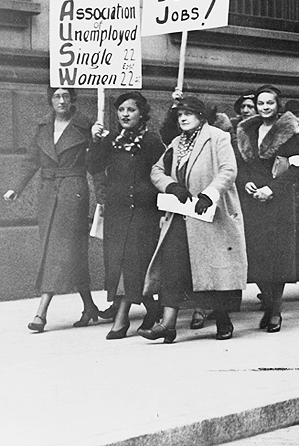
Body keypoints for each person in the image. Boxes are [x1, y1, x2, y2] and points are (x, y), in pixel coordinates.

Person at [141, 96, 247, 343]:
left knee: (212, 268)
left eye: (188, 113)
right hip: (181, 214)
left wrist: (209, 194)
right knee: (173, 266)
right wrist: (171, 186)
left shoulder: (217, 137)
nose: (183, 118)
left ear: (201, 116)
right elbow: (157, 170)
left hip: (211, 214)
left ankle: (222, 320)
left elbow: (228, 170)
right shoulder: (177, 143)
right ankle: (167, 324)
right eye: (179, 115)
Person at [4, 87, 108, 331]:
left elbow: (96, 165)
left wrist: (96, 140)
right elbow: (31, 161)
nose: (61, 101)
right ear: (50, 100)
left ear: (73, 99)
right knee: (69, 250)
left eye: (66, 96)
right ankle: (89, 305)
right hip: (48, 194)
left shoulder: (87, 127)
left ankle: (41, 313)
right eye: (56, 96)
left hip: (73, 191)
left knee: (58, 250)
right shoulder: (43, 128)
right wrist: (16, 188)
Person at [87, 92, 164, 339]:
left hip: (143, 212)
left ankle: (121, 320)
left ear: (142, 113)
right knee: (119, 264)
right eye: (121, 110)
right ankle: (153, 308)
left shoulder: (152, 141)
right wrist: (96, 141)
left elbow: (162, 172)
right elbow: (93, 166)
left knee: (131, 264)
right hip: (117, 212)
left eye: (130, 110)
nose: (125, 114)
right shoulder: (111, 139)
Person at [235, 86, 299, 333]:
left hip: (278, 203)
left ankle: (275, 310)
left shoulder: (289, 134)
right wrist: (246, 183)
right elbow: (240, 166)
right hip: (253, 202)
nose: (265, 108)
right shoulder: (247, 131)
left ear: (278, 106)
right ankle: (269, 302)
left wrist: (272, 188)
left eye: (270, 103)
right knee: (257, 255)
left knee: (278, 256)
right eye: (261, 103)